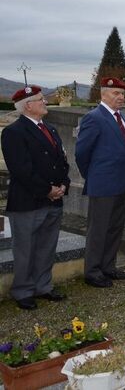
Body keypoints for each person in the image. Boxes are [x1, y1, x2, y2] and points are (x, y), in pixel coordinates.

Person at [1, 86, 69, 310]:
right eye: (41, 100)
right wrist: (47, 189)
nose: (45, 102)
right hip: (28, 202)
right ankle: (23, 291)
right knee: (25, 249)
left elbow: (61, 161)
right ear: (28, 105)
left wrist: (63, 185)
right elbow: (21, 169)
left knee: (47, 247)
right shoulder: (13, 132)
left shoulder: (50, 129)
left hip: (54, 199)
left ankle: (43, 286)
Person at [75, 77, 125, 288]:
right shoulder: (94, 118)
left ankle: (108, 266)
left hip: (121, 183)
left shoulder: (122, 117)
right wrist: (92, 176)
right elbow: (82, 153)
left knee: (115, 228)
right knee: (98, 229)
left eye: (122, 93)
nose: (120, 97)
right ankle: (92, 271)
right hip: (103, 184)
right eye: (115, 93)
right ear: (103, 94)